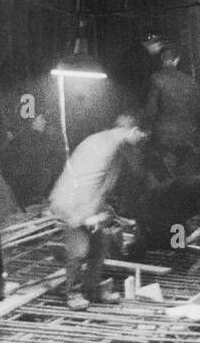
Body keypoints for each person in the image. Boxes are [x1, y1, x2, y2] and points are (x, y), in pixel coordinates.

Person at [49, 114, 148, 309]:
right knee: (79, 249)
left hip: (85, 204)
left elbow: (102, 184)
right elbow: (86, 181)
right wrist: (87, 214)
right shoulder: (105, 146)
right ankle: (73, 294)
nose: (141, 141)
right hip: (73, 203)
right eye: (140, 135)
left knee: (100, 244)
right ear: (133, 131)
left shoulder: (111, 146)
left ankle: (91, 289)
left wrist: (101, 208)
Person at [144, 38, 200, 180]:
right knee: (187, 179)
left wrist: (147, 129)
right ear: (177, 59)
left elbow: (151, 110)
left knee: (169, 180)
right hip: (189, 138)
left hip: (166, 139)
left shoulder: (156, 79)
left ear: (161, 59)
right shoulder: (190, 81)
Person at [131, 168, 200, 257]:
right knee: (164, 241)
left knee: (177, 241)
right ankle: (134, 248)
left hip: (167, 214)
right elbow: (174, 215)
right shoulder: (188, 187)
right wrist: (178, 241)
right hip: (150, 210)